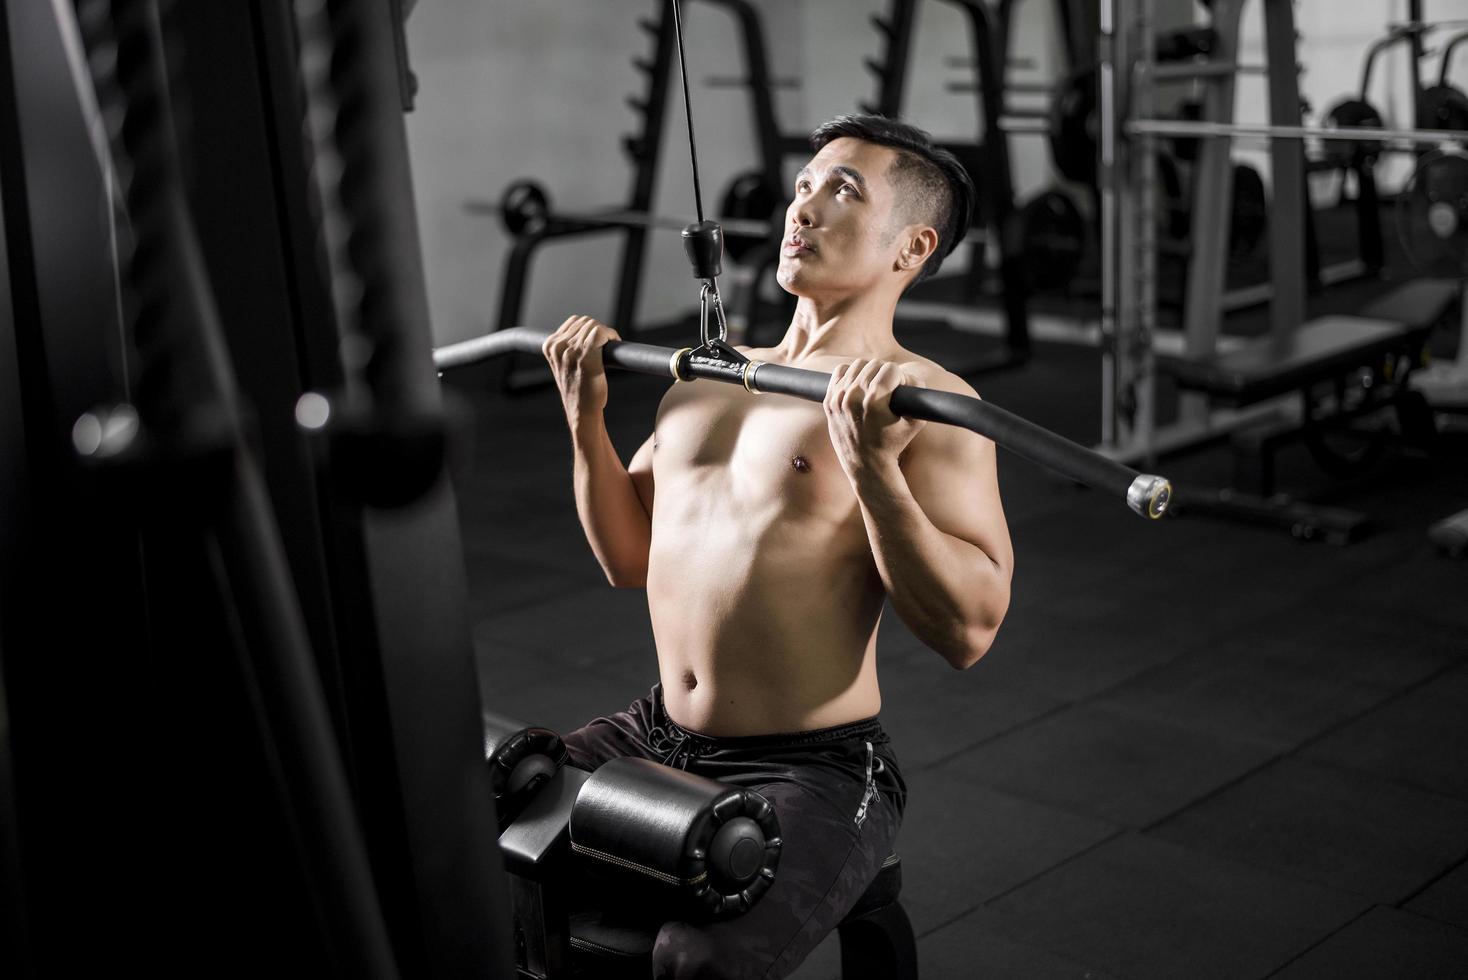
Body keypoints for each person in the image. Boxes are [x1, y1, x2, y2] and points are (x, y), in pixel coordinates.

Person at [539, 113, 1013, 979]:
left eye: (842, 190)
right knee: (467, 824)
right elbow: (627, 557)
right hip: (652, 732)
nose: (802, 207)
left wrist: (874, 471)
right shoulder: (710, 374)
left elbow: (969, 631)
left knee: (696, 961)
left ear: (912, 246)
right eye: (804, 186)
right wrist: (586, 418)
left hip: (814, 768)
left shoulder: (928, 402)